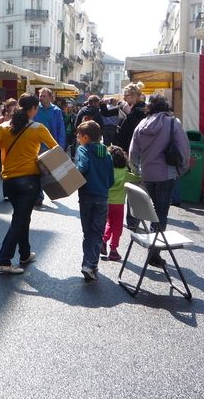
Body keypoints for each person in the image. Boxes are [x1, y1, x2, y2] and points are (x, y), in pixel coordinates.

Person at [0, 93, 58, 274]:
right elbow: (55, 149)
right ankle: (4, 260)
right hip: (29, 182)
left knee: (22, 217)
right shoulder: (38, 128)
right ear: (33, 110)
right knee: (20, 219)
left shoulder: (3, 127)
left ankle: (24, 254)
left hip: (8, 182)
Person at [128, 94, 190, 266]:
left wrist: (136, 169)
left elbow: (133, 152)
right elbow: (184, 148)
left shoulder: (142, 124)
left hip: (147, 174)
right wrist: (182, 169)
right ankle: (154, 252)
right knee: (161, 213)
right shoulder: (172, 123)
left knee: (149, 211)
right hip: (166, 175)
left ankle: (152, 246)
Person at [74, 120, 114, 281]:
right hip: (102, 197)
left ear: (85, 137)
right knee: (97, 233)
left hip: (86, 195)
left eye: (78, 136)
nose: (77, 138)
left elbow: (82, 167)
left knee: (87, 232)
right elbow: (111, 180)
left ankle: (87, 264)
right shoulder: (108, 154)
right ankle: (91, 264)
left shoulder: (83, 150)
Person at [101, 145, 140, 261]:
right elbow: (138, 178)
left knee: (109, 223)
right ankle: (113, 249)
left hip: (106, 201)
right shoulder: (125, 173)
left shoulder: (106, 171)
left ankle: (104, 240)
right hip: (118, 204)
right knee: (117, 226)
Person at [33, 87, 65, 205]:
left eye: (44, 96)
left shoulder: (56, 110)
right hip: (37, 145)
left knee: (49, 172)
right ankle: (39, 196)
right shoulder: (36, 109)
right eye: (40, 96)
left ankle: (53, 192)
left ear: (50, 97)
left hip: (50, 144)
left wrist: (60, 146)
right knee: (37, 171)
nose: (41, 98)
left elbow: (60, 129)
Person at [113, 82, 148, 153]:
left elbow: (131, 131)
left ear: (133, 96)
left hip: (133, 151)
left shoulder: (138, 111)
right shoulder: (139, 108)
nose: (124, 98)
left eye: (126, 95)